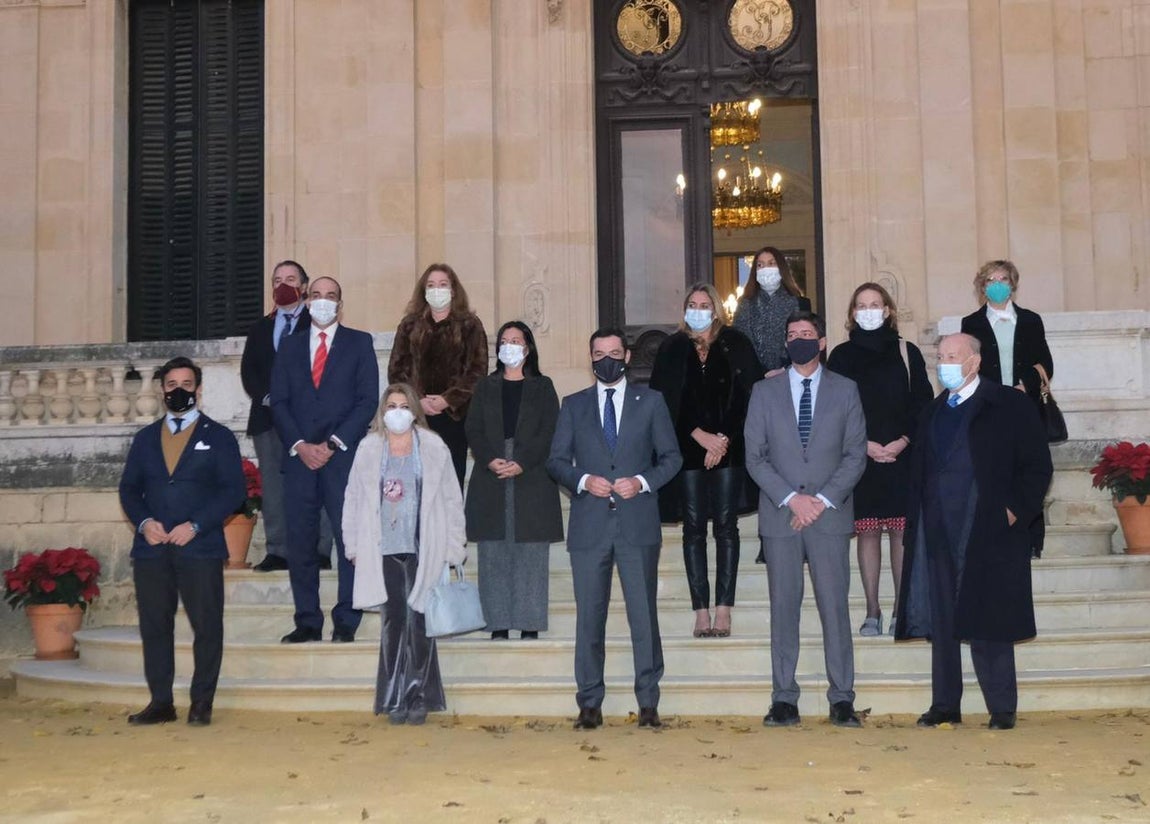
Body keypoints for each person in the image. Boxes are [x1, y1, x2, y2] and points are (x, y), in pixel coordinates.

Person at [895, 333, 1053, 731]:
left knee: (991, 619)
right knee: (943, 619)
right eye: (941, 355)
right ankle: (945, 704)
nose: (944, 362)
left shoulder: (1008, 404)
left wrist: (1014, 512)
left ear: (975, 362)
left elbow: (1037, 466)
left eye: (954, 356)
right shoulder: (931, 412)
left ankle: (1002, 708)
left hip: (988, 528)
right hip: (937, 530)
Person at [547, 328, 682, 730]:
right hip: (589, 526)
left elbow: (671, 458)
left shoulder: (651, 402)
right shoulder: (573, 405)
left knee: (644, 616)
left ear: (626, 356)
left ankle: (648, 702)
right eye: (598, 353)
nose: (606, 359)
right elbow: (556, 462)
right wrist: (583, 480)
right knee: (590, 617)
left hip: (636, 523)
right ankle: (589, 702)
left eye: (613, 352)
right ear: (590, 357)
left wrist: (640, 482)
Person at [744, 311, 867, 728]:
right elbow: (754, 457)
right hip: (781, 515)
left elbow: (854, 454)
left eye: (807, 334)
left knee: (834, 607)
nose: (799, 339)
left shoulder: (846, 390)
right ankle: (784, 698)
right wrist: (792, 499)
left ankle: (842, 698)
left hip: (829, 516)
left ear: (822, 342)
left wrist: (822, 500)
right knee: (784, 607)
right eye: (792, 334)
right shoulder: (764, 391)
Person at [118, 357, 246, 727]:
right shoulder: (144, 439)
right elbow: (129, 489)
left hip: (200, 547)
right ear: (161, 390)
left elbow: (233, 491)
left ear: (198, 389)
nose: (178, 391)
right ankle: (160, 702)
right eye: (171, 384)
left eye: (186, 384)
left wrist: (197, 524)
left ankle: (201, 703)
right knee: (155, 626)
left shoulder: (219, 436)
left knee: (207, 625)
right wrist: (143, 523)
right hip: (152, 549)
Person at [342, 383, 467, 724]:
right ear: (383, 412)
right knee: (394, 623)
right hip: (383, 548)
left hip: (423, 546)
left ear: (415, 411)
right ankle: (394, 698)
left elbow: (452, 499)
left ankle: (420, 697)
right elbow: (352, 499)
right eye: (391, 405)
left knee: (421, 622)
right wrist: (352, 545)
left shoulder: (433, 447)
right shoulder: (368, 448)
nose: (397, 411)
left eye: (403, 405)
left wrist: (455, 546)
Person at [649, 283, 762, 638]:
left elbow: (748, 397)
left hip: (729, 450)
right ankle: (701, 610)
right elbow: (664, 404)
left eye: (704, 304)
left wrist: (723, 439)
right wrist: (699, 436)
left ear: (716, 309)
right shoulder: (671, 348)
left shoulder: (736, 343)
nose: (697, 309)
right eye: (691, 304)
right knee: (694, 529)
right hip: (687, 450)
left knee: (726, 527)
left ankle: (724, 609)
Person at [270, 276, 379, 644]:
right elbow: (279, 401)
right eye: (316, 295)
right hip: (300, 460)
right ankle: (307, 621)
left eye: (330, 296)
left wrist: (333, 443)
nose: (323, 301)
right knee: (300, 541)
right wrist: (301, 445)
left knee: (349, 539)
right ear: (306, 299)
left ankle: (347, 619)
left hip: (342, 457)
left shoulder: (359, 343)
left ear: (340, 304)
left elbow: (367, 400)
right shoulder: (289, 346)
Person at [827, 283, 933, 637]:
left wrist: (903, 440)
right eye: (861, 305)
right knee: (869, 534)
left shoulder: (907, 351)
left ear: (887, 310)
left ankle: (902, 610)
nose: (869, 310)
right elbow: (836, 410)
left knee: (902, 534)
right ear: (852, 313)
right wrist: (866, 445)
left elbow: (923, 403)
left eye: (875, 304)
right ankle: (872, 609)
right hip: (861, 456)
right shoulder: (840, 356)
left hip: (902, 455)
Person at [464, 321, 564, 640]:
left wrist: (522, 462)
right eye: (504, 340)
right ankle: (498, 624)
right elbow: (473, 428)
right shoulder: (484, 386)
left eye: (516, 340)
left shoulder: (543, 386)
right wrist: (489, 458)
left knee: (530, 552)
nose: (509, 345)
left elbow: (550, 430)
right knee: (493, 552)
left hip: (531, 473)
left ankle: (529, 622)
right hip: (490, 470)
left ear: (528, 347)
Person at [239, 259, 334, 573]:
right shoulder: (261, 328)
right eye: (277, 279)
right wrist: (270, 398)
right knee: (274, 487)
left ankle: (319, 549)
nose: (283, 284)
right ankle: (277, 550)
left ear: (304, 286)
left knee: (318, 482)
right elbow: (249, 371)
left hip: (311, 420)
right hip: (268, 419)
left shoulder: (318, 324)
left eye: (290, 278)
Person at [960, 260, 1054, 557]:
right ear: (982, 286)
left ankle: (1031, 538)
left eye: (1002, 278)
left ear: (1012, 284)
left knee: (1028, 470)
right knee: (993, 469)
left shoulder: (1030, 320)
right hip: (988, 406)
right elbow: (969, 364)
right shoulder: (971, 323)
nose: (997, 284)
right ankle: (992, 529)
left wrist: (1023, 386)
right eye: (990, 279)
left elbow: (1045, 362)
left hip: (1025, 406)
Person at [388, 263, 489, 489]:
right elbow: (396, 370)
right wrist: (417, 401)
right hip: (415, 418)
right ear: (424, 291)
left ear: (453, 290)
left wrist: (447, 400)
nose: (437, 289)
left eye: (443, 284)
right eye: (431, 285)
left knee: (449, 486)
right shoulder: (409, 325)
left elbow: (477, 370)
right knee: (414, 485)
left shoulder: (470, 325)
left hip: (454, 418)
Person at [733, 246, 812, 373]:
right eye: (760, 265)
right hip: (754, 379)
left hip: (792, 375)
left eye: (771, 263)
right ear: (755, 271)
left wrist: (785, 368)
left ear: (781, 268)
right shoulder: (744, 306)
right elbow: (739, 346)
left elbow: (806, 343)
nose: (766, 269)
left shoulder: (800, 304)